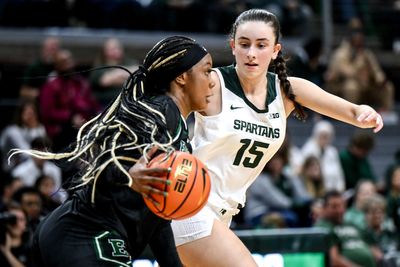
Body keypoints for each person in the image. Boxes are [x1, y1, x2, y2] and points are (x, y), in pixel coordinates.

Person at [171, 9, 383, 267]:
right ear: (233, 46)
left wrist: (364, 112)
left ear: (275, 50)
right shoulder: (214, 83)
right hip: (190, 205)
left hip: (224, 214)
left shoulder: (285, 91)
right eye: (244, 44)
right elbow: (168, 107)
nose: (251, 53)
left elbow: (349, 111)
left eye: (261, 45)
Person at [11, 35, 213, 267]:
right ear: (181, 77)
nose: (212, 81)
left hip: (76, 232)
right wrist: (127, 172)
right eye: (207, 71)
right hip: (84, 233)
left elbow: (159, 220)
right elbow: (109, 157)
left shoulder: (177, 130)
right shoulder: (160, 110)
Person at [315, 190, 379, 267]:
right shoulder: (323, 228)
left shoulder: (351, 224)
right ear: (324, 208)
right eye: (334, 207)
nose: (339, 210)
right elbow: (334, 261)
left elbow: (374, 249)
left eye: (342, 205)